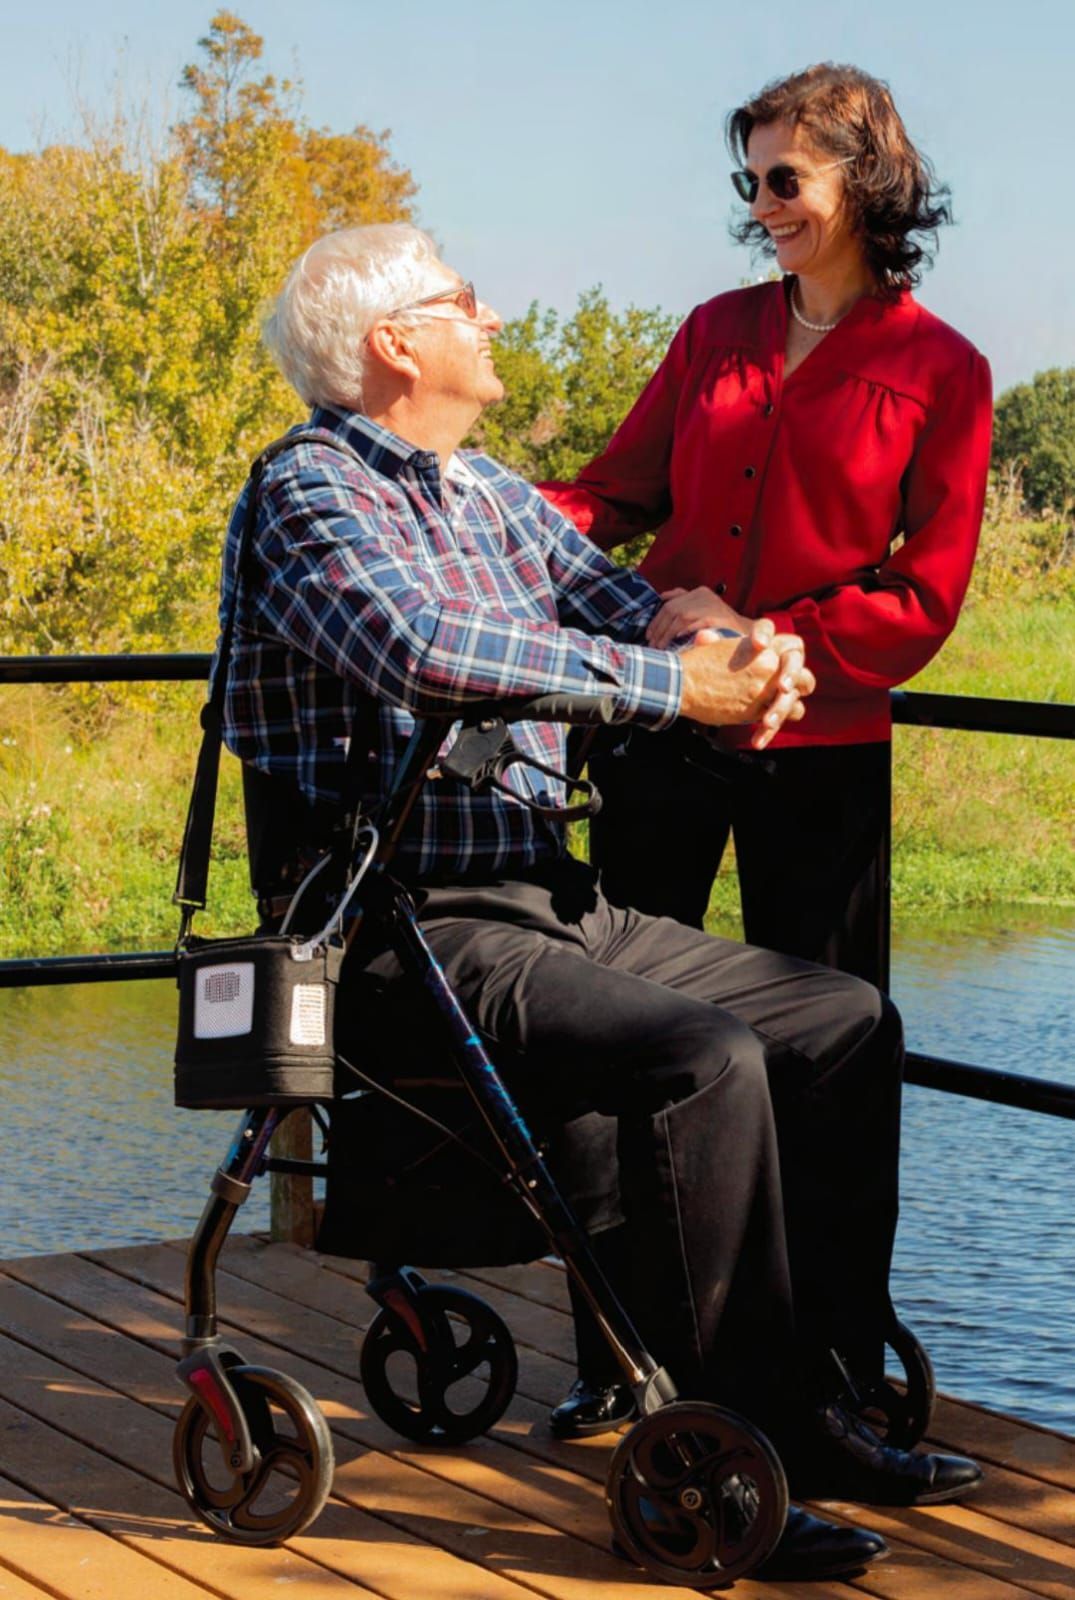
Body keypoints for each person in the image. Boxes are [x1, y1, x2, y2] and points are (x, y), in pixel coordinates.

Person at [218, 220, 982, 1582]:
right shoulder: (307, 491)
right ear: (395, 342)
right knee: (704, 1057)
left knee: (842, 1020)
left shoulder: (481, 489)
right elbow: (424, 647)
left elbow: (616, 597)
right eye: (462, 299)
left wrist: (731, 645)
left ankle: (819, 1395)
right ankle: (727, 1433)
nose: (490, 315)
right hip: (400, 922)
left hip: (543, 897)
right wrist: (680, 686)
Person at [540, 62, 993, 989]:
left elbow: (923, 595)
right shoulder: (712, 330)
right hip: (666, 707)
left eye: (784, 179)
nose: (760, 206)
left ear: (862, 179)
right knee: (626, 996)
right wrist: (474, 514)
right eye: (748, 180)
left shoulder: (944, 369)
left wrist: (762, 633)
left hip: (819, 739)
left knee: (824, 1017)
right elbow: (615, 494)